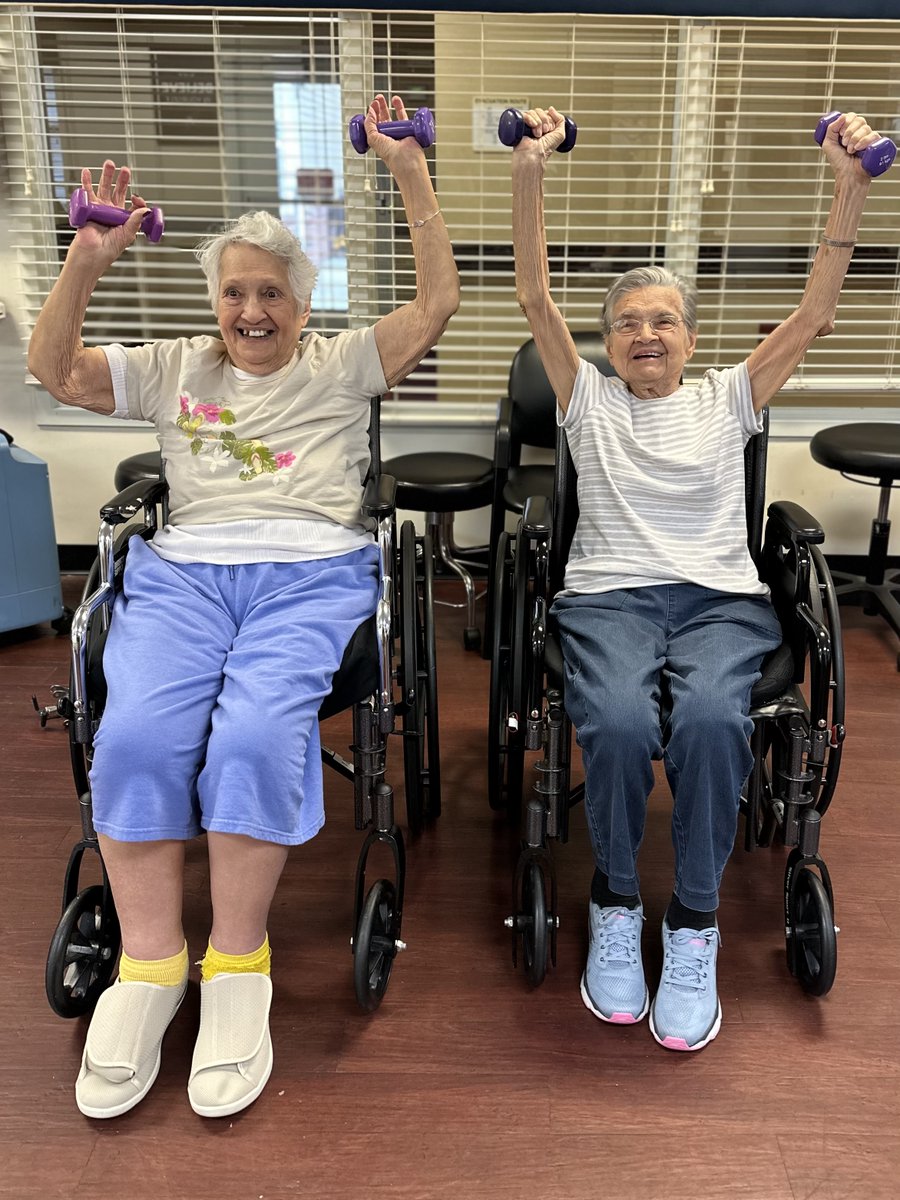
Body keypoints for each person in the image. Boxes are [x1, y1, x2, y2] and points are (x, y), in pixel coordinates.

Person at [28, 93, 459, 1118]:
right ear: (215, 300)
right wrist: (86, 259)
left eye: (271, 293)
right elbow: (54, 372)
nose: (251, 312)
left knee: (257, 735)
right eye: (234, 293)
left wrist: (408, 171)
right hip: (185, 574)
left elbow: (437, 303)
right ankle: (149, 968)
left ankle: (235, 964)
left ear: (303, 306)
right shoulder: (176, 365)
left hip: (310, 573)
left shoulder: (341, 362)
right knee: (135, 735)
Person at [510, 106, 881, 1051]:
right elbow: (534, 296)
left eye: (663, 319)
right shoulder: (587, 398)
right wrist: (530, 169)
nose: (646, 334)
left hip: (721, 604)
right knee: (619, 722)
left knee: (716, 721)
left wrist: (850, 186)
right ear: (607, 342)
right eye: (627, 323)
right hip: (609, 601)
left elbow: (817, 314)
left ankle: (694, 923)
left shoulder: (731, 396)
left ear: (691, 334)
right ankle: (617, 901)